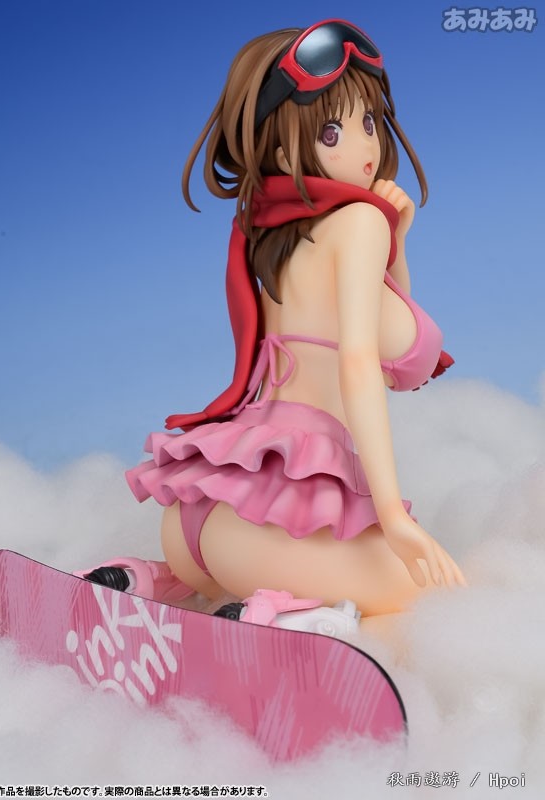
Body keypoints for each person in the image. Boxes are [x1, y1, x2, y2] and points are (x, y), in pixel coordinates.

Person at [81, 20, 466, 630]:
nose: (366, 146)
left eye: (370, 122)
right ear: (284, 152)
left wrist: (399, 246)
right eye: (333, 132)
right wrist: (392, 515)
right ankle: (290, 616)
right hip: (270, 524)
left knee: (362, 576)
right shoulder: (358, 223)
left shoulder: (267, 232)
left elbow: (376, 331)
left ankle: (154, 582)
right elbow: (367, 364)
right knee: (439, 599)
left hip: (200, 513)